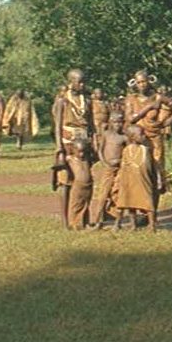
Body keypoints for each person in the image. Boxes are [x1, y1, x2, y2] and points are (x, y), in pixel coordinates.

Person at [124, 71, 172, 214]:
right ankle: (138, 209)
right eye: (139, 82)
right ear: (135, 83)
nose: (142, 85)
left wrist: (166, 122)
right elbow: (130, 119)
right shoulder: (131, 99)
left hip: (155, 138)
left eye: (144, 81)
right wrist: (148, 107)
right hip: (137, 140)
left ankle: (152, 211)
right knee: (138, 172)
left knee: (155, 172)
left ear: (149, 81)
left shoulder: (158, 97)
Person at [52, 69, 95, 229]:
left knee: (85, 180)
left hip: (83, 145)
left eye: (84, 81)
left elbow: (91, 125)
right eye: (79, 81)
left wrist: (94, 144)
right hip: (67, 143)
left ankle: (83, 218)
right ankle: (65, 221)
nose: (82, 84)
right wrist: (59, 148)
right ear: (71, 82)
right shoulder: (62, 101)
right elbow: (57, 126)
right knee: (65, 182)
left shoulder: (87, 101)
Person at [113, 125, 159, 232]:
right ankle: (133, 225)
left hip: (143, 180)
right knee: (129, 202)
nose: (144, 136)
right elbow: (123, 167)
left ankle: (152, 226)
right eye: (141, 134)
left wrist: (156, 179)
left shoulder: (145, 150)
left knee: (148, 202)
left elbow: (150, 166)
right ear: (133, 137)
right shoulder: (126, 150)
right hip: (128, 181)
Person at [90, 111, 127, 229]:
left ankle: (118, 223)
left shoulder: (124, 137)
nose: (118, 125)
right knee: (102, 195)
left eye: (120, 122)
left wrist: (121, 162)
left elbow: (127, 154)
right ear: (110, 122)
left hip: (120, 170)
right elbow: (100, 150)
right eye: (115, 122)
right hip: (107, 168)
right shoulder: (106, 134)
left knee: (118, 195)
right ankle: (98, 222)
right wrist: (104, 162)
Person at [61, 137, 94, 230]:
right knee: (76, 204)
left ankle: (86, 222)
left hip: (88, 185)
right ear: (73, 149)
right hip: (78, 186)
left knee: (86, 204)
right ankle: (74, 223)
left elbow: (95, 156)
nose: (81, 154)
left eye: (83, 151)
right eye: (79, 151)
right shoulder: (70, 159)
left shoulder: (87, 158)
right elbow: (62, 155)